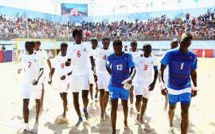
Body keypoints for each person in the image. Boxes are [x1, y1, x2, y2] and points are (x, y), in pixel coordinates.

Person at [160, 33, 198, 134]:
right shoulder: (170, 54)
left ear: (190, 43)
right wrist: (162, 84)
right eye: (184, 41)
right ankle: (171, 124)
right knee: (172, 108)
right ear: (180, 41)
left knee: (185, 112)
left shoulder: (193, 56)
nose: (185, 44)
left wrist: (195, 86)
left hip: (186, 87)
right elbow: (161, 69)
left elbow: (193, 72)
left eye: (188, 42)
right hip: (172, 87)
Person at [66, 29, 95, 126]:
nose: (81, 36)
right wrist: (67, 63)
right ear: (74, 36)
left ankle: (85, 109)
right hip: (74, 74)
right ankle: (79, 117)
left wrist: (93, 71)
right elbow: (69, 60)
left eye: (81, 34)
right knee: (75, 96)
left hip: (84, 73)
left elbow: (91, 59)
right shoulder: (70, 47)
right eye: (78, 34)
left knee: (84, 96)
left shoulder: (87, 46)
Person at [106, 40, 136, 134]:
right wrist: (112, 74)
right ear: (113, 48)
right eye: (115, 48)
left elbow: (133, 68)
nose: (117, 50)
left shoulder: (128, 56)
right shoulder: (110, 57)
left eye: (119, 48)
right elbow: (107, 66)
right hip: (113, 85)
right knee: (113, 107)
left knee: (124, 105)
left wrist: (130, 77)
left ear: (122, 47)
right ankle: (114, 130)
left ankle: (125, 120)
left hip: (125, 85)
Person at [18, 41, 44, 133]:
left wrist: (37, 78)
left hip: (36, 82)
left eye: (28, 45)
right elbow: (22, 67)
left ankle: (37, 119)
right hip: (26, 82)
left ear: (33, 46)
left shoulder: (38, 56)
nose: (26, 47)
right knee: (25, 102)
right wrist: (19, 69)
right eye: (25, 45)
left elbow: (42, 69)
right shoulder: (23, 56)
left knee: (37, 101)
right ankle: (26, 127)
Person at [134, 44, 158, 124]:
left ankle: (141, 116)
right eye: (146, 49)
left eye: (149, 49)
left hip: (148, 82)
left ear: (151, 50)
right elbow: (133, 69)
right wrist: (130, 78)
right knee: (138, 100)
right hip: (138, 81)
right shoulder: (138, 58)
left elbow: (156, 71)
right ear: (143, 50)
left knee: (145, 101)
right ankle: (138, 113)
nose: (148, 51)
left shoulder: (154, 58)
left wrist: (154, 82)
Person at [48, 43, 72, 119]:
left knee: (64, 96)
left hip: (67, 79)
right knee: (61, 95)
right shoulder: (57, 58)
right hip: (59, 80)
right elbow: (53, 69)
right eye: (61, 48)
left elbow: (73, 70)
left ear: (67, 48)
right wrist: (50, 77)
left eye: (64, 48)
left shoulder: (70, 58)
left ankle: (64, 112)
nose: (62, 49)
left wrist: (66, 75)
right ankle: (66, 105)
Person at [94, 37, 111, 120]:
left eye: (108, 42)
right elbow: (93, 62)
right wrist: (94, 73)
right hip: (100, 73)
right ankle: (102, 111)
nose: (106, 44)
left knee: (107, 93)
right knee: (101, 92)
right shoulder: (98, 51)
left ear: (109, 43)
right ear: (102, 43)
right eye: (105, 42)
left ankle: (104, 109)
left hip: (108, 74)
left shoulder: (111, 51)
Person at [160, 38, 179, 111]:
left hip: (176, 77)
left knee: (174, 93)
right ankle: (165, 105)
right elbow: (161, 68)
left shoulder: (179, 54)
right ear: (170, 45)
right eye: (173, 45)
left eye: (176, 45)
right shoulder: (167, 53)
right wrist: (161, 81)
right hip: (166, 76)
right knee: (166, 93)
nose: (174, 47)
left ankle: (171, 108)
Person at [34, 41, 51, 110]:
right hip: (34, 72)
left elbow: (48, 60)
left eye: (35, 44)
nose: (34, 45)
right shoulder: (31, 52)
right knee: (35, 88)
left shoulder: (43, 52)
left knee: (42, 87)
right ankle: (37, 101)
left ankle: (42, 102)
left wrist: (50, 70)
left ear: (38, 45)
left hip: (42, 72)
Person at [129, 41, 141, 114]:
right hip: (130, 74)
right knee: (131, 90)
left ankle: (138, 105)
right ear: (130, 45)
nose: (134, 46)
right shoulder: (128, 54)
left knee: (138, 92)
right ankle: (131, 105)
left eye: (135, 45)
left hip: (138, 75)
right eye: (133, 45)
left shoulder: (140, 53)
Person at [89, 39, 99, 103]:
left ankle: (96, 95)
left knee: (97, 83)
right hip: (90, 68)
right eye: (93, 43)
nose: (94, 44)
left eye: (95, 43)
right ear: (91, 43)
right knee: (91, 84)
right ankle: (91, 98)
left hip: (97, 68)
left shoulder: (98, 50)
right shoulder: (89, 50)